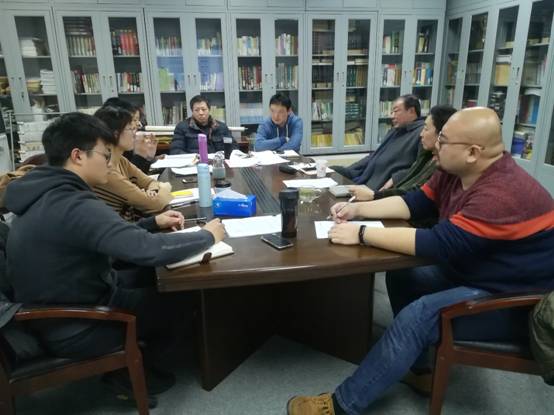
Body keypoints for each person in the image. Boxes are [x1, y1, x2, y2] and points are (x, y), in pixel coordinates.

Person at [287, 107, 554, 415]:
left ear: (472, 152)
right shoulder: (456, 171)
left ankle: (341, 406)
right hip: (479, 271)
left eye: (443, 140)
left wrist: (361, 234)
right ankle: (421, 370)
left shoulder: (501, 193)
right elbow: (416, 203)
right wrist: (358, 210)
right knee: (403, 276)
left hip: (516, 300)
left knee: (419, 317)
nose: (435, 145)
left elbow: (436, 244)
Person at [4, 112, 225, 382]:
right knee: (185, 297)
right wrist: (207, 236)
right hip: (76, 325)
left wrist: (152, 222)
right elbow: (147, 249)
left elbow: (109, 236)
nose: (109, 163)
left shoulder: (48, 192)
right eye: (104, 155)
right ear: (78, 156)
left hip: (61, 306)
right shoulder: (72, 204)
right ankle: (128, 374)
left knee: (152, 277)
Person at [348, 105, 456, 202]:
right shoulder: (426, 154)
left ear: (442, 135)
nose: (421, 134)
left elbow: (414, 195)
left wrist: (374, 195)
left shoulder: (444, 168)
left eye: (426, 129)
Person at [93, 105, 173, 221]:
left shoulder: (121, 160)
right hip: (120, 229)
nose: (135, 134)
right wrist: (165, 187)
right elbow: (155, 204)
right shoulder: (107, 171)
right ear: (115, 134)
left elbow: (150, 182)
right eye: (131, 129)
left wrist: (153, 191)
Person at [331, 95, 424, 191]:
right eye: (392, 112)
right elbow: (374, 156)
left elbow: (421, 168)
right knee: (331, 171)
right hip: (363, 178)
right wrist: (348, 171)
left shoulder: (421, 134)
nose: (392, 116)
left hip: (376, 188)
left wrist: (396, 178)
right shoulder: (395, 131)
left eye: (396, 111)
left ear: (411, 111)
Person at [102, 97, 158, 174]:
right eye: (133, 120)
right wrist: (140, 155)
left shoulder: (122, 157)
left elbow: (139, 178)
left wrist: (147, 158)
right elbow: (130, 178)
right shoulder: (107, 159)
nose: (136, 125)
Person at [170, 95, 236, 154]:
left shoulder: (221, 127)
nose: (201, 113)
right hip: (194, 163)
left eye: (203, 109)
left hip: (218, 162)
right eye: (197, 110)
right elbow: (175, 151)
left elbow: (234, 147)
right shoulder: (182, 127)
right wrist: (195, 158)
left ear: (209, 110)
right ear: (192, 111)